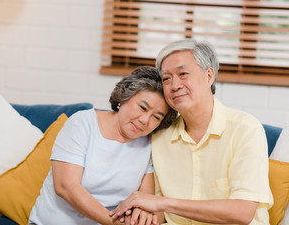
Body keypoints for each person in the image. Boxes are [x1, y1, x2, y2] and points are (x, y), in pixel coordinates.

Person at [111, 39, 273, 224]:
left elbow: (242, 213)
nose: (174, 85)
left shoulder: (245, 129)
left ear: (209, 76)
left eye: (183, 74)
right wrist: (140, 216)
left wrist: (163, 203)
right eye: (166, 78)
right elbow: (158, 211)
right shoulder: (159, 135)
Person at [29, 66, 177, 225]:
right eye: (142, 107)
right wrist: (114, 223)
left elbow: (146, 201)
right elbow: (65, 186)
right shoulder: (82, 123)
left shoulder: (147, 142)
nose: (145, 120)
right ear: (124, 97)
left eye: (156, 117)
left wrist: (141, 216)